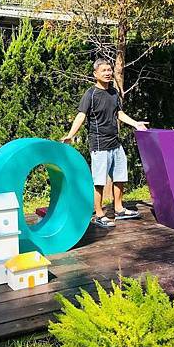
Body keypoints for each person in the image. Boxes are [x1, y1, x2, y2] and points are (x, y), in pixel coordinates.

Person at [62, 58, 148, 228]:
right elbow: (81, 115)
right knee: (99, 181)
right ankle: (99, 214)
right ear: (95, 74)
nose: (108, 73)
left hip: (116, 143)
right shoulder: (91, 94)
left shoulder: (114, 92)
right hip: (99, 145)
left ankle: (119, 209)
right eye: (104, 70)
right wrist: (71, 135)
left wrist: (135, 123)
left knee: (120, 177)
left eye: (109, 70)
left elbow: (119, 113)